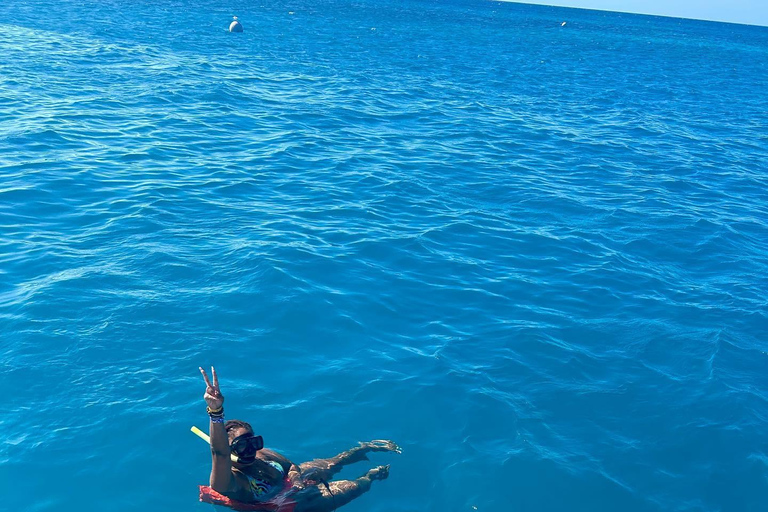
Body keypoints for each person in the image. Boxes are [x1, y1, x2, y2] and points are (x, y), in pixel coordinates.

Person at [198, 366, 400, 511]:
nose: (250, 449)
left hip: (294, 484)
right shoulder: (230, 481)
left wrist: (296, 479)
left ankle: (366, 448)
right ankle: (371, 476)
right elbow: (219, 453)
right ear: (231, 448)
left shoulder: (262, 454)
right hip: (292, 505)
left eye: (253, 442)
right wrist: (216, 411)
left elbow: (291, 466)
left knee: (333, 463)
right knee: (351, 487)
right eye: (242, 446)